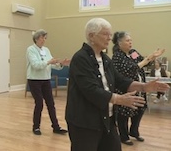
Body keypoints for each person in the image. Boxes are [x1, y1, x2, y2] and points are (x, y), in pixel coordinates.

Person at [65, 18, 169, 151]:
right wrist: (119, 99)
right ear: (91, 36)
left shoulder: (106, 58)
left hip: (106, 118)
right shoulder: (81, 58)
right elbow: (90, 90)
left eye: (110, 34)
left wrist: (144, 86)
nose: (109, 38)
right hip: (85, 122)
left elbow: (120, 80)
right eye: (105, 34)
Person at [112, 31, 165, 146]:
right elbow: (131, 68)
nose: (130, 42)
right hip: (126, 88)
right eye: (127, 40)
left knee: (140, 108)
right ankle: (124, 136)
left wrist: (152, 57)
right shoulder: (117, 56)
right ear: (119, 43)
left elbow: (143, 62)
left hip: (140, 87)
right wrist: (147, 59)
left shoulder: (132, 53)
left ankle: (134, 131)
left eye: (131, 40)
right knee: (124, 113)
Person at [26, 29, 70, 135]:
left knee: (51, 103)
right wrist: (49, 62)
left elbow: (52, 64)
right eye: (42, 38)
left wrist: (61, 64)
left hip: (45, 79)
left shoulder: (46, 50)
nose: (44, 40)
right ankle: (36, 127)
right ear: (36, 38)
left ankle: (56, 127)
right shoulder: (30, 49)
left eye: (45, 38)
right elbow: (36, 65)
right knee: (39, 103)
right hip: (34, 80)